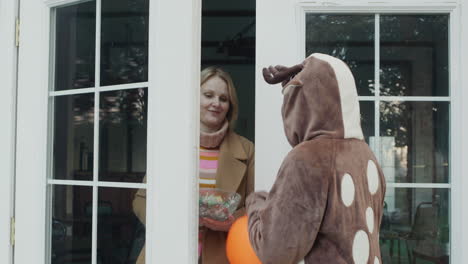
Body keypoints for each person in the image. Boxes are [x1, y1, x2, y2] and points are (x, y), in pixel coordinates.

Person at [246, 53, 386, 264]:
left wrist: (256, 205)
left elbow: (275, 252)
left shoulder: (307, 159)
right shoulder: (366, 155)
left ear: (300, 102)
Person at [132, 67, 255, 264]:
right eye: (208, 95)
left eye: (223, 99)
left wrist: (231, 222)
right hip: (168, 250)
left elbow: (256, 206)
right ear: (193, 98)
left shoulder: (247, 150)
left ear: (230, 105)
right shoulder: (170, 144)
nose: (216, 103)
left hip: (223, 253)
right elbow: (141, 201)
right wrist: (173, 220)